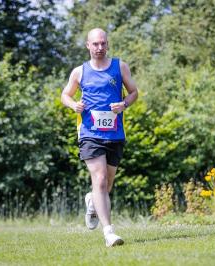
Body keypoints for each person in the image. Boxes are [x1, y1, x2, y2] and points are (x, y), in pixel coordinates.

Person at [61, 28, 138, 247]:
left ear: (108, 44)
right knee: (100, 179)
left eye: (103, 43)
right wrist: (73, 104)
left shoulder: (119, 67)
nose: (100, 47)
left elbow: (134, 92)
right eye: (95, 44)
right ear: (88, 45)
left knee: (107, 183)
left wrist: (124, 104)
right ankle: (109, 233)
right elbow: (65, 95)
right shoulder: (79, 72)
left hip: (115, 133)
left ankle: (92, 201)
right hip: (89, 133)